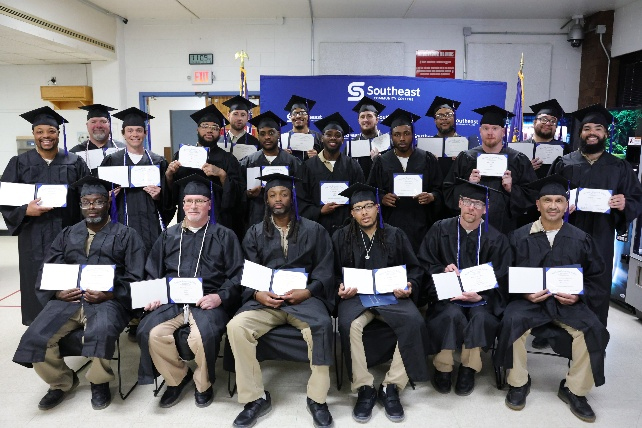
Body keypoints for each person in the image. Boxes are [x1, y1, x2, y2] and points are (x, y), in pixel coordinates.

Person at [13, 176, 145, 410]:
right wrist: (57, 292)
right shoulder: (67, 234)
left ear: (108, 203)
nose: (91, 207)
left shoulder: (127, 234)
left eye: (98, 202)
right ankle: (61, 382)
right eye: (86, 202)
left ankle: (99, 381)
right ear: (81, 204)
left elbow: (137, 276)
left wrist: (111, 294)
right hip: (69, 298)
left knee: (101, 330)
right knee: (35, 336)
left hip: (108, 300)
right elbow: (49, 268)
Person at [495, 175, 610, 423]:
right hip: (528, 301)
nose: (553, 205)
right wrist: (524, 293)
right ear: (538, 205)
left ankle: (574, 390)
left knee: (593, 328)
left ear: (566, 206)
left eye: (559, 200)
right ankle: (518, 382)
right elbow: (503, 274)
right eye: (547, 200)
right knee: (512, 321)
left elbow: (597, 278)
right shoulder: (518, 236)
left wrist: (578, 295)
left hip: (567, 303)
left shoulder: (581, 238)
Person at [227, 173, 335, 428]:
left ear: (292, 197)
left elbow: (325, 268)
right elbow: (248, 270)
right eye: (273, 195)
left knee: (321, 327)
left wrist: (308, 292)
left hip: (304, 300)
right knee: (236, 326)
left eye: (284, 194)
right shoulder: (254, 232)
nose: (278, 199)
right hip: (266, 300)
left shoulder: (314, 229)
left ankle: (317, 398)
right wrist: (257, 294)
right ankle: (255, 398)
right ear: (266, 199)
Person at [136, 174, 243, 408]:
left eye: (200, 201)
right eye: (189, 201)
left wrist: (220, 297)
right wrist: (153, 296)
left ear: (209, 205)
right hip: (172, 300)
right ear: (182, 205)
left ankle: (203, 384)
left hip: (208, 300)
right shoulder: (168, 235)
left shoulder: (225, 235)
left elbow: (237, 275)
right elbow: (153, 271)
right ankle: (177, 378)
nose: (193, 206)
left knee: (200, 337)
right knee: (152, 333)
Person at [333, 183, 428, 423]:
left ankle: (392, 386)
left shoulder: (395, 234)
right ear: (351, 213)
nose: (364, 212)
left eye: (368, 206)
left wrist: (410, 286)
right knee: (349, 325)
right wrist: (339, 287)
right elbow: (330, 272)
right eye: (358, 208)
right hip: (356, 298)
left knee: (414, 320)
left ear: (377, 208)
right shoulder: (341, 236)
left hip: (391, 297)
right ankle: (364, 387)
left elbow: (415, 268)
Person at [550, 104, 642, 326]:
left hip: (601, 234)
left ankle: (595, 329)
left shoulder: (619, 166)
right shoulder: (565, 162)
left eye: (598, 128)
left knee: (597, 282)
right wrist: (560, 203)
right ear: (580, 133)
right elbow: (548, 195)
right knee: (562, 278)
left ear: (606, 134)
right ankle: (553, 327)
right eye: (587, 128)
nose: (592, 133)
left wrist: (623, 203)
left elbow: (635, 199)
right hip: (567, 233)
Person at [418, 180, 510, 395]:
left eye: (478, 204)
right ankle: (443, 367)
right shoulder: (440, 229)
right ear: (459, 203)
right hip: (448, 296)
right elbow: (424, 262)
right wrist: (442, 269)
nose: (472, 208)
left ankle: (469, 368)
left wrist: (480, 295)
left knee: (480, 317)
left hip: (482, 298)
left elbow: (503, 274)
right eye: (468, 202)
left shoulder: (497, 238)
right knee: (450, 314)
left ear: (485, 209)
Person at [0, 106, 90, 325]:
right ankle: (37, 332)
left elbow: (87, 195)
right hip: (33, 234)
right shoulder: (19, 163)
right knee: (34, 279)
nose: (45, 136)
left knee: (67, 280)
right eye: (40, 132)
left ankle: (67, 330)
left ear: (58, 133)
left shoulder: (74, 161)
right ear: (34, 134)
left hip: (67, 233)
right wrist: (24, 210)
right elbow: (5, 198)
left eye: (50, 131)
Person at [443, 105, 538, 234]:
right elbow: (448, 191)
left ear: (503, 132)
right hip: (469, 228)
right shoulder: (466, 158)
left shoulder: (517, 159)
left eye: (495, 128)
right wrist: (468, 184)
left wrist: (512, 189)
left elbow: (532, 194)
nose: (490, 133)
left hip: (505, 229)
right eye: (486, 128)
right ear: (480, 131)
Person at [165, 104, 245, 239]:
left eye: (214, 128)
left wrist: (222, 174)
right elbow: (172, 194)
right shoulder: (183, 154)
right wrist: (169, 175)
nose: (209, 130)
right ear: (197, 129)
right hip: (188, 219)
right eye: (205, 126)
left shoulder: (228, 159)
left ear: (219, 132)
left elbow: (239, 194)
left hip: (218, 219)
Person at [368, 108, 443, 252]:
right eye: (397, 135)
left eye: (406, 133)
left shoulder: (427, 159)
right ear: (391, 137)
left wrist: (432, 197)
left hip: (422, 225)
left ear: (413, 135)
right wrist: (381, 198)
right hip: (391, 224)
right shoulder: (381, 161)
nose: (402, 139)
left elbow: (439, 190)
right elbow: (371, 190)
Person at [100, 107, 173, 253]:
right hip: (122, 220)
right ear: (123, 134)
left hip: (151, 224)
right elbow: (100, 192)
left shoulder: (157, 161)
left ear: (145, 133)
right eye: (130, 130)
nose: (135, 134)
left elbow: (170, 199)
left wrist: (160, 195)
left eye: (139, 130)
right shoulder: (112, 161)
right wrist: (106, 198)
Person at [299, 112, 365, 235]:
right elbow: (301, 200)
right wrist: (319, 211)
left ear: (342, 139)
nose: (333, 138)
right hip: (316, 230)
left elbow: (361, 196)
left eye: (337, 135)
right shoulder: (307, 167)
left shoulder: (352, 166)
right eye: (328, 134)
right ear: (322, 138)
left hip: (347, 229)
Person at [239, 110, 303, 231]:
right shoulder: (247, 163)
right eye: (262, 134)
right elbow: (237, 192)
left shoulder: (293, 162)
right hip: (255, 218)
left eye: (271, 133)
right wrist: (247, 194)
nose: (267, 137)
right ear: (258, 136)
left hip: (286, 219)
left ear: (278, 134)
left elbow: (302, 192)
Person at [70, 104, 125, 174]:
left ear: (109, 124)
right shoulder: (75, 153)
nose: (98, 126)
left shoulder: (123, 149)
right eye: (93, 122)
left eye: (103, 121)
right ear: (87, 125)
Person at [349, 96, 388, 180]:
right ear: (358, 120)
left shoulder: (387, 142)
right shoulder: (352, 144)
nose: (365, 120)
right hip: (359, 191)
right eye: (362, 117)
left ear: (377, 120)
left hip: (382, 191)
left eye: (369, 116)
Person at [425, 95, 464, 178]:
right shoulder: (426, 147)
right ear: (435, 121)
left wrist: (462, 162)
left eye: (448, 114)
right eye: (440, 116)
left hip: (458, 189)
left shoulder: (466, 144)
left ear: (454, 118)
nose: (444, 119)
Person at [282, 94, 322, 160]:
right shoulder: (284, 139)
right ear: (291, 117)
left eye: (302, 113)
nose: (298, 116)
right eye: (294, 113)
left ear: (308, 116)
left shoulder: (318, 138)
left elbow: (326, 162)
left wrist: (317, 158)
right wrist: (282, 156)